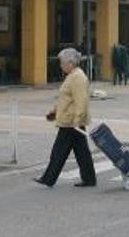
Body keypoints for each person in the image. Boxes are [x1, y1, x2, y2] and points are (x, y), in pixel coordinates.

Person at [34, 48, 96, 188]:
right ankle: (89, 179)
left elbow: (81, 101)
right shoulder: (72, 76)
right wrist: (54, 112)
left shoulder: (78, 77)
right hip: (71, 120)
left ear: (70, 63)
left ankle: (48, 178)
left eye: (62, 63)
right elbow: (65, 99)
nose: (61, 65)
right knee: (82, 152)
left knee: (58, 151)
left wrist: (77, 120)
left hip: (71, 122)